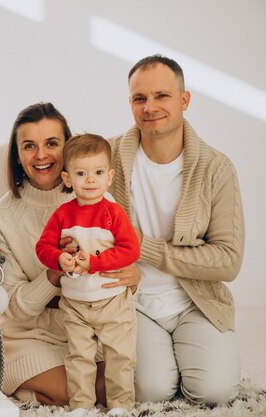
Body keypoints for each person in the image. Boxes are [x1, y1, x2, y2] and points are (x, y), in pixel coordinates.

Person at [0, 102, 140, 406]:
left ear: (67, 148)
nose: (41, 155)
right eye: (29, 146)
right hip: (30, 334)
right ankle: (38, 389)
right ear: (17, 155)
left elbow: (121, 255)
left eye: (52, 143)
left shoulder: (97, 197)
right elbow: (13, 308)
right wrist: (53, 273)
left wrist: (133, 277)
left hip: (88, 322)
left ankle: (42, 392)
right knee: (80, 391)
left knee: (125, 383)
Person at [109, 54, 245, 404]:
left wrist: (145, 247)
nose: (150, 107)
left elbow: (228, 260)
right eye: (140, 98)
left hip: (195, 303)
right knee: (150, 391)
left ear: (184, 100)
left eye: (161, 96)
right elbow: (56, 182)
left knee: (215, 392)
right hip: (133, 303)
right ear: (130, 104)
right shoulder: (108, 157)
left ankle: (192, 356)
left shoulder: (216, 168)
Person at [35, 133, 140, 417]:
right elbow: (42, 248)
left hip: (112, 301)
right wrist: (60, 258)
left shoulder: (114, 213)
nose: (90, 180)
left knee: (120, 354)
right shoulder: (63, 215)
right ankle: (81, 405)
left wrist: (93, 262)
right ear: (68, 179)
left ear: (109, 177)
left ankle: (120, 404)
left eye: (98, 173)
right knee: (79, 356)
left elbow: (130, 251)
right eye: (81, 173)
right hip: (76, 304)